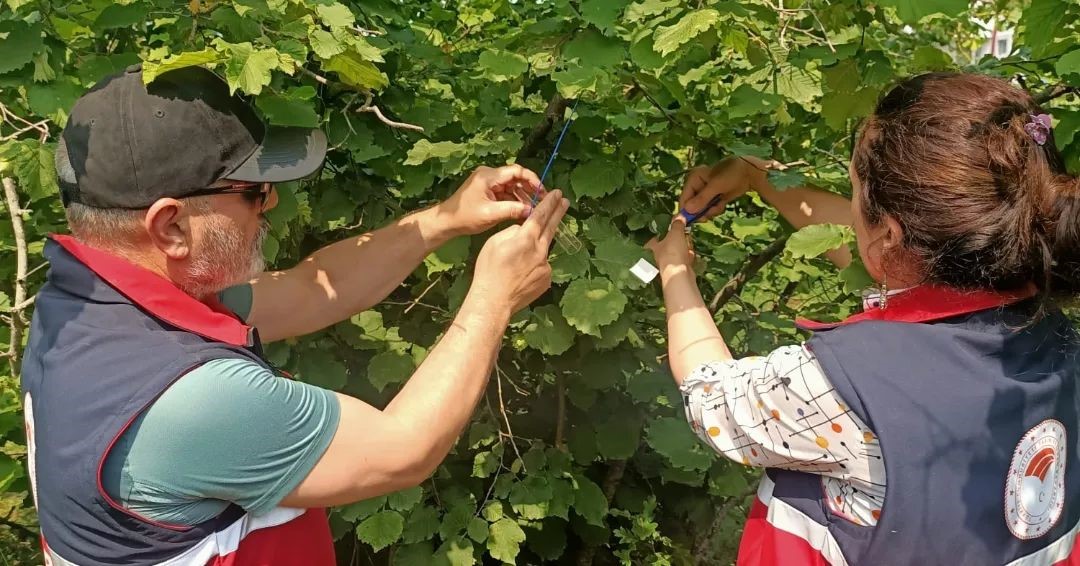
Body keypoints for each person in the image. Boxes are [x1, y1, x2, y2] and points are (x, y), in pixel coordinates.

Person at [20, 64, 569, 565]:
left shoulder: (87, 308)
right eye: (254, 192)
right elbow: (401, 450)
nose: (273, 203)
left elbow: (313, 290)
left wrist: (442, 220)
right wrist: (493, 298)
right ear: (171, 227)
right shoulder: (193, 401)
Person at [647, 72, 1080, 565]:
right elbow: (882, 249)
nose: (848, 212)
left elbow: (713, 395)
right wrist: (755, 176)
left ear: (891, 236)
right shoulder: (1048, 331)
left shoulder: (844, 388)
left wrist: (675, 268)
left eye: (853, 191)